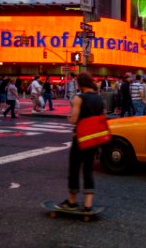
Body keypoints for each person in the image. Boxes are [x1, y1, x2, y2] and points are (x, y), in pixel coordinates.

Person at [59, 72, 105, 212]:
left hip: (79, 138)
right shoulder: (99, 99)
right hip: (93, 139)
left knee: (74, 168)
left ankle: (72, 201)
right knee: (88, 170)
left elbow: (74, 120)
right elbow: (103, 117)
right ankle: (88, 204)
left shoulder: (79, 98)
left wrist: (70, 116)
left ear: (80, 84)